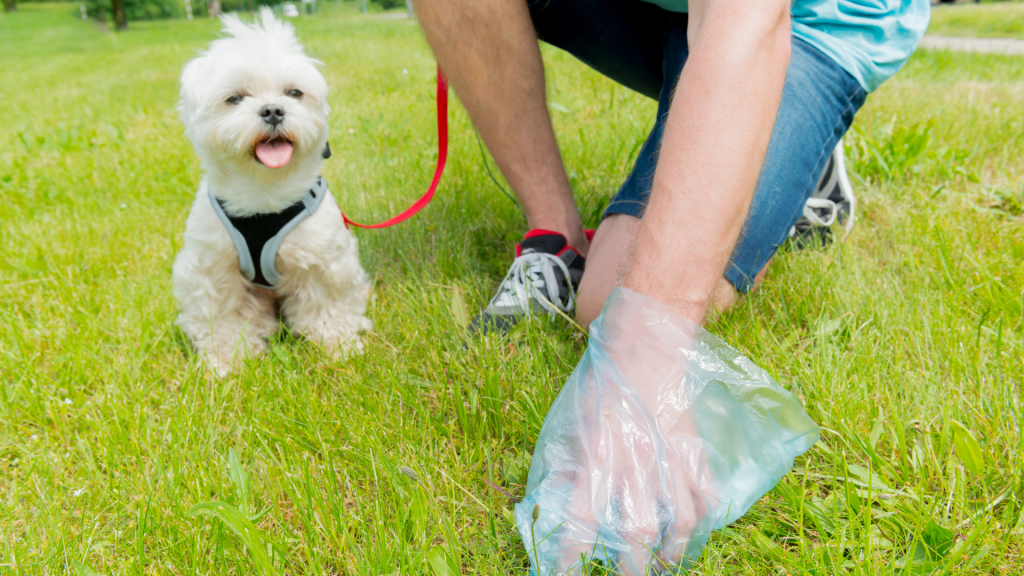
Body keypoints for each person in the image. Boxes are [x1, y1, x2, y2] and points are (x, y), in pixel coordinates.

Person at [414, 0, 929, 331]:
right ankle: (557, 239)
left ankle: (793, 145)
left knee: (616, 308)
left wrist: (642, 362)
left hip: (805, 20)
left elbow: (744, 16)